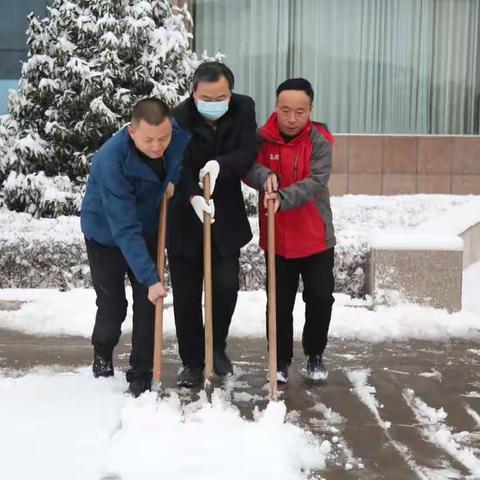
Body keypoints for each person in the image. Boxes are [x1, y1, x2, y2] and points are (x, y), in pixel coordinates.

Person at [80, 98, 190, 397]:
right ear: (131, 131)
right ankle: (102, 352)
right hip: (107, 234)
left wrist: (172, 180)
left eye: (163, 138)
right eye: (149, 140)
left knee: (148, 304)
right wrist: (151, 278)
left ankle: (141, 373)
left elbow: (175, 161)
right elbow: (124, 228)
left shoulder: (174, 136)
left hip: (148, 226)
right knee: (113, 304)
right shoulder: (110, 160)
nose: (157, 146)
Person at [167, 61, 258, 387]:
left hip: (226, 216)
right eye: (206, 96)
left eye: (221, 96)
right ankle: (192, 360)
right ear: (194, 92)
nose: (214, 102)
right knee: (188, 293)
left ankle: (216, 346)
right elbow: (176, 164)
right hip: (186, 217)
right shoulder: (179, 118)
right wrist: (193, 197)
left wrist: (221, 164)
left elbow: (248, 151)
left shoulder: (244, 109)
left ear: (230, 92)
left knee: (225, 286)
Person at [244, 78, 336, 383]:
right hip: (278, 238)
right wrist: (263, 174)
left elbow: (316, 182)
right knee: (279, 305)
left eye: (300, 111)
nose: (292, 118)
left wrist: (282, 197)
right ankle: (280, 359)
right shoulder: (261, 138)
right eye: (285, 110)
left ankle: (315, 354)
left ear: (310, 109)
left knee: (320, 298)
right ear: (276, 107)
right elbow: (246, 167)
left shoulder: (319, 141)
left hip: (315, 237)